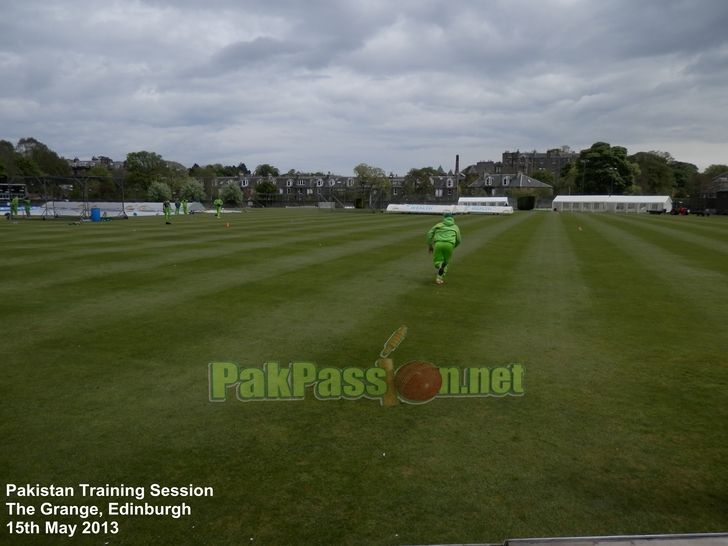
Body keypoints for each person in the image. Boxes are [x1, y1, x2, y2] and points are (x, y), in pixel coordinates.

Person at [426, 211, 461, 285]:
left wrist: (430, 245)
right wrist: (453, 246)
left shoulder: (439, 225)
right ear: (452, 218)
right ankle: (439, 279)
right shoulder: (455, 227)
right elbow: (458, 240)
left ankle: (439, 266)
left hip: (438, 244)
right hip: (449, 245)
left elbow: (429, 233)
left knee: (437, 262)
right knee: (446, 262)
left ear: (444, 218)